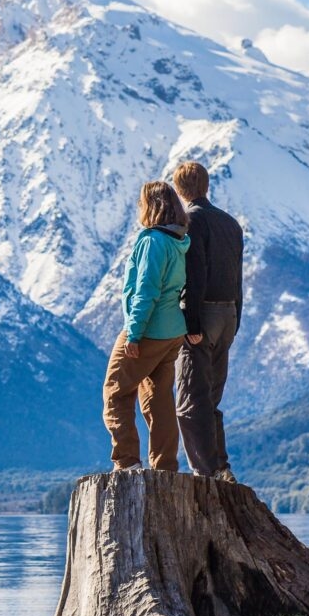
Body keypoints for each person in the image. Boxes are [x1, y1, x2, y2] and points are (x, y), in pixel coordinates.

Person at [103, 181, 191, 471]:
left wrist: (134, 333)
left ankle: (127, 462)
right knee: (158, 399)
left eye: (142, 203)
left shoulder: (153, 241)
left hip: (148, 330)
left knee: (115, 391)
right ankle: (164, 466)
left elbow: (146, 290)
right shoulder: (179, 241)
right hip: (172, 332)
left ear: (151, 206)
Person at [173, 161, 244, 482]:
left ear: (179, 189)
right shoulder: (231, 224)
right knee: (211, 398)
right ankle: (221, 467)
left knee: (190, 400)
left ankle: (206, 474)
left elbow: (195, 272)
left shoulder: (191, 221)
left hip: (203, 313)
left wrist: (191, 323)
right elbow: (238, 277)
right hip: (229, 313)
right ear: (206, 186)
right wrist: (235, 319)